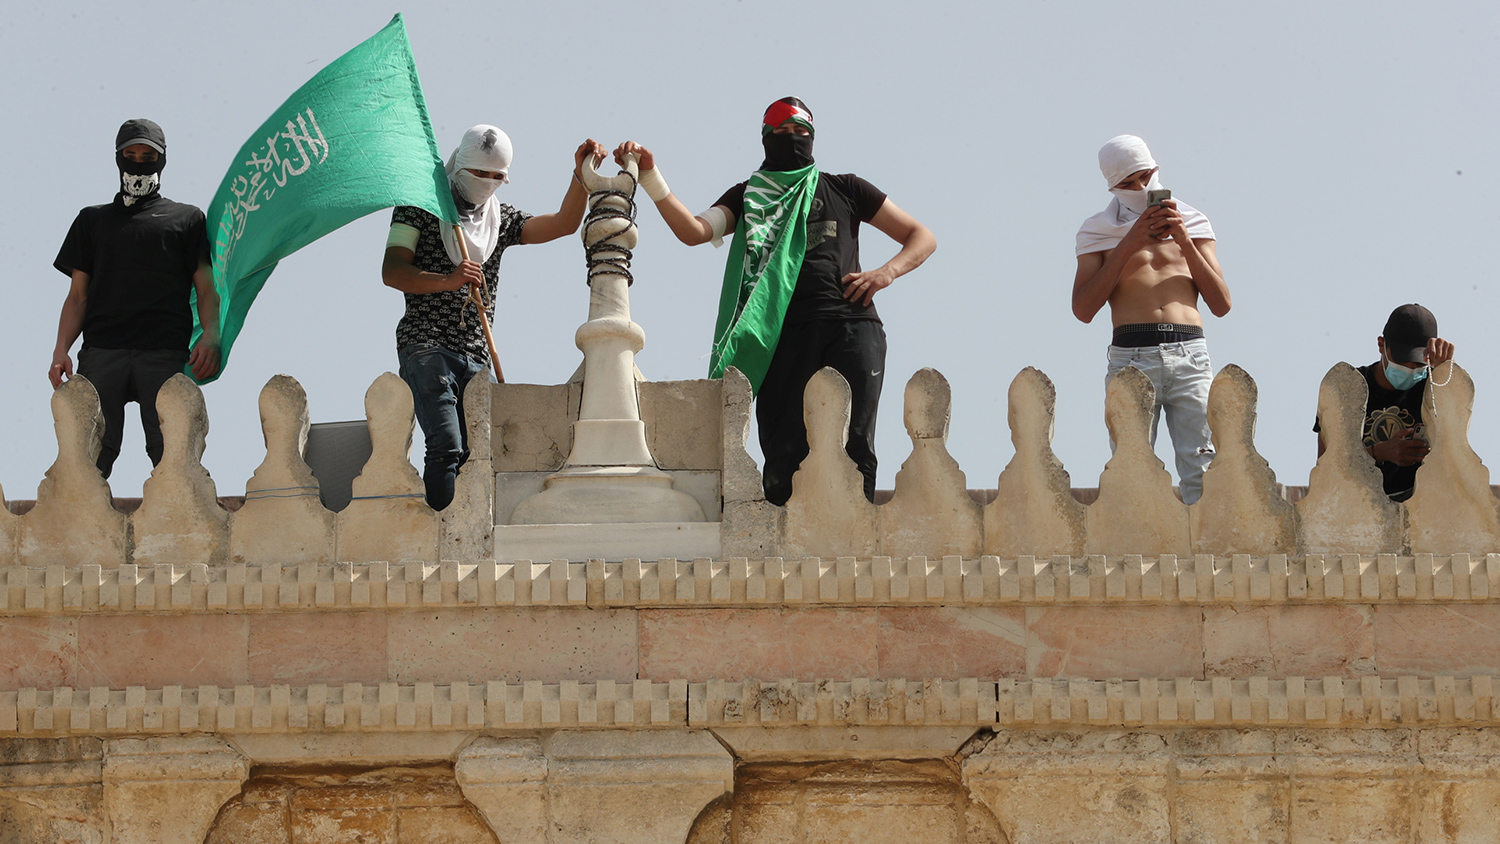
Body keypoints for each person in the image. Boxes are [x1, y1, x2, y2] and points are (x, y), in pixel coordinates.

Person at [614, 97, 936, 505]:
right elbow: (695, 231)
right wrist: (651, 177)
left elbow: (922, 237)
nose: (793, 139)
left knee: (854, 442)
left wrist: (885, 272)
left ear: (814, 137)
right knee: (785, 451)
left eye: (801, 132)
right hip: (779, 334)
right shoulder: (750, 196)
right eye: (782, 132)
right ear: (765, 138)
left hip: (850, 325)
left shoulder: (846, 188)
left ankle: (858, 533)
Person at [382, 125, 604, 510]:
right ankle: (441, 530)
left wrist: (580, 176)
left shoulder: (498, 220)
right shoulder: (420, 206)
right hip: (427, 344)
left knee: (476, 455)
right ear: (460, 165)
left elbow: (563, 224)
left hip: (475, 354)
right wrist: (448, 280)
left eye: (496, 176)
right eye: (479, 173)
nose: (487, 183)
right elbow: (393, 271)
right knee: (446, 445)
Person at [51, 118, 221, 478]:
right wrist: (60, 350)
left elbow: (206, 288)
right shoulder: (92, 221)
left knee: (173, 454)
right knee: (87, 454)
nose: (139, 163)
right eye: (131, 154)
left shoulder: (187, 220)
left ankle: (180, 526)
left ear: (162, 160)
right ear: (118, 158)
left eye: (147, 155)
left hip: (163, 351)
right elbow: (77, 297)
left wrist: (211, 334)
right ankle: (80, 527)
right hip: (102, 351)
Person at [1072, 134, 1230, 504]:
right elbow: (1083, 308)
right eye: (1128, 183)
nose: (1141, 188)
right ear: (1112, 187)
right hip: (1131, 356)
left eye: (1145, 176)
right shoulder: (1097, 231)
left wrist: (1184, 240)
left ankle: (1202, 556)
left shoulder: (1192, 220)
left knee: (1203, 466)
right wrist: (1130, 243)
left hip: (1189, 353)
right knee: (1132, 469)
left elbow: (1221, 303)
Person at [1314, 304, 1455, 501]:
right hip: (1355, 506)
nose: (1409, 368)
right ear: (1381, 345)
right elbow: (1325, 467)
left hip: (1420, 509)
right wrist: (1379, 452)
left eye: (1418, 363)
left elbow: (1454, 452)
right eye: (1402, 360)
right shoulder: (1348, 389)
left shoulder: (1431, 391)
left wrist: (1443, 374)